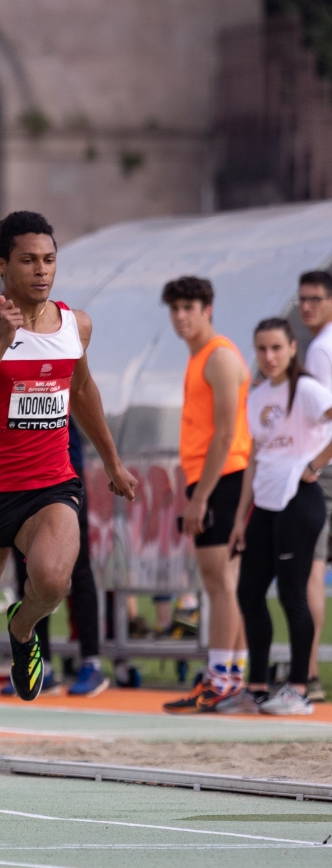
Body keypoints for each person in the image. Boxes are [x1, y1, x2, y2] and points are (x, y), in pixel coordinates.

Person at [0, 211, 137, 796]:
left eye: (48, 260)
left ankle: (24, 631)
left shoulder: (76, 323)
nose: (40, 271)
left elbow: (83, 390)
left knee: (51, 579)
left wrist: (113, 462)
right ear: (2, 265)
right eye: (28, 260)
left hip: (51, 483)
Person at [221, 318, 332, 716]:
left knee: (292, 595)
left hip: (298, 502)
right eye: (262, 349)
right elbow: (254, 457)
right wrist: (239, 519)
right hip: (263, 507)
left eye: (276, 348)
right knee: (248, 593)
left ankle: (300, 689)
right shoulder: (258, 394)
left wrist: (315, 466)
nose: (268, 357)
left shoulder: (306, 389)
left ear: (291, 348)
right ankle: (257, 687)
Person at [160, 276, 252, 713]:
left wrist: (200, 498)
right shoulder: (200, 356)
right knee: (223, 584)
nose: (181, 316)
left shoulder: (218, 357)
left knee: (218, 584)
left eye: (189, 307)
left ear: (207, 308)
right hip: (213, 479)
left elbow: (225, 436)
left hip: (223, 478)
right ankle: (229, 678)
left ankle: (222, 682)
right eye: (175, 308)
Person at [9, 421, 107, 695]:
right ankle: (43, 664)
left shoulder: (66, 379)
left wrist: (112, 462)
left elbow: (86, 396)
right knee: (29, 571)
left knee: (77, 569)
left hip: (65, 479)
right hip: (23, 480)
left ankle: (92, 662)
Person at [292, 269, 332, 703]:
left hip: (326, 470)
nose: (306, 306)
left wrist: (313, 464)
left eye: (316, 299)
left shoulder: (321, 349)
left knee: (311, 571)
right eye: (303, 299)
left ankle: (308, 673)